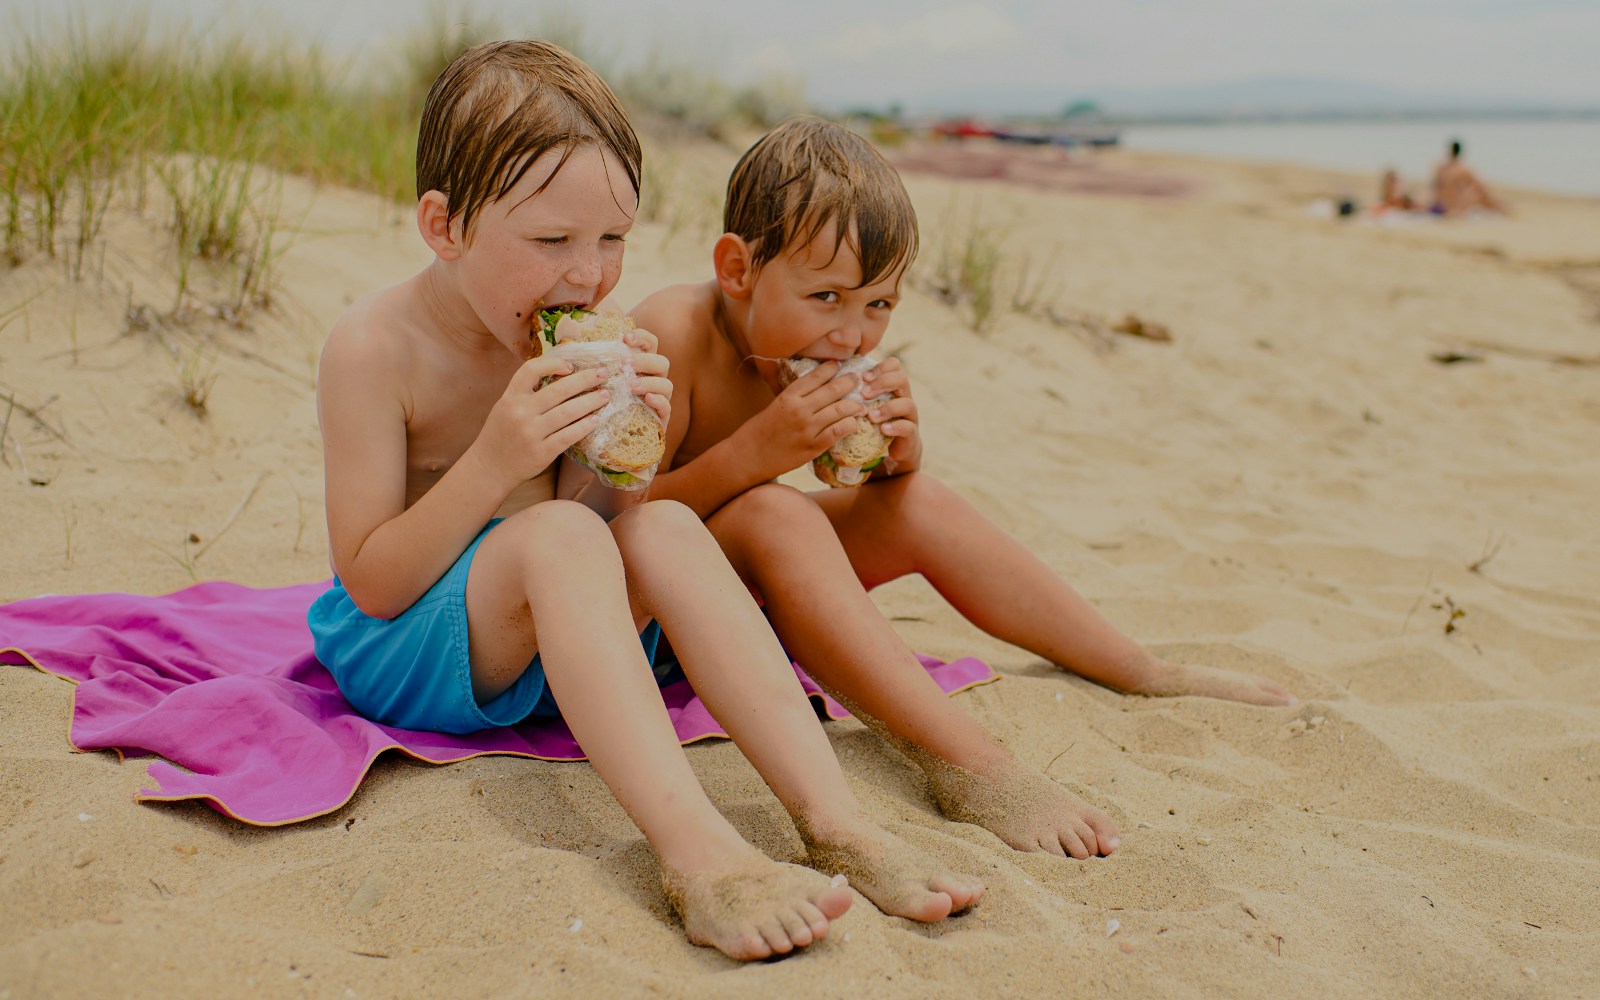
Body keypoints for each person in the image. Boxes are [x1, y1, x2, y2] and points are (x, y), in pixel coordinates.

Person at [308, 45, 983, 962]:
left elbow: (589, 528)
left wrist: (621, 470)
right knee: (550, 536)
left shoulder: (581, 336)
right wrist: (495, 458)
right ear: (443, 225)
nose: (587, 277)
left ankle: (836, 822)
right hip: (414, 647)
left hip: (549, 638)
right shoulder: (375, 351)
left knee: (660, 519)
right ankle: (699, 855)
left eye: (612, 240)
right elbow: (373, 582)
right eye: (551, 242)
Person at [632, 116, 1299, 862]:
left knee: (915, 502)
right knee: (773, 512)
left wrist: (895, 456)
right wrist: (756, 453)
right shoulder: (671, 335)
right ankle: (973, 767)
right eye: (828, 298)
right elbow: (618, 530)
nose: (853, 336)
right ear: (737, 269)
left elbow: (878, 499)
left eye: (879, 305)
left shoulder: (803, 350)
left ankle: (1140, 670)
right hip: (654, 618)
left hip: (746, 592)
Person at [1431, 139, 1505, 215]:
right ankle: (1501, 208)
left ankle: (1499, 206)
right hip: (1453, 207)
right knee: (1480, 195)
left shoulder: (1441, 167)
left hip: (1441, 204)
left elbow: (1435, 187)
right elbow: (1480, 186)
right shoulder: (1462, 169)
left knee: (1474, 192)